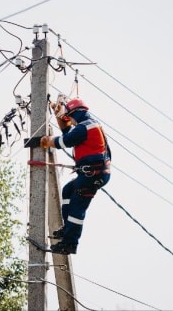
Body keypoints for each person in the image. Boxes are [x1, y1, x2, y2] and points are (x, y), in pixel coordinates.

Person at [40, 97, 111, 255]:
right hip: (92, 173)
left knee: (77, 207)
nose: (70, 121)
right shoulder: (86, 124)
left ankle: (70, 243)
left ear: (75, 113)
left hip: (92, 174)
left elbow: (65, 140)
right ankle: (68, 230)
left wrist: (48, 141)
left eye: (70, 117)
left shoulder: (85, 127)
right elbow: (68, 131)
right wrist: (59, 115)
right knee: (67, 191)